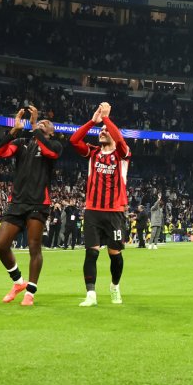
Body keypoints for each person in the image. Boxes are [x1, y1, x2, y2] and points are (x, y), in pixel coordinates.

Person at [0, 106, 65, 307]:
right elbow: (0, 152)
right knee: (1, 245)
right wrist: (14, 130)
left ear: (51, 132)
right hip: (17, 201)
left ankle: (30, 292)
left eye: (46, 123)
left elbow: (49, 151)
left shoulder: (54, 145)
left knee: (34, 247)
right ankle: (18, 282)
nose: (42, 122)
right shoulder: (22, 142)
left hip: (38, 202)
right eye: (39, 121)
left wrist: (35, 125)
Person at [69, 102, 131, 307]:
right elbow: (74, 139)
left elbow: (120, 139)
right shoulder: (92, 152)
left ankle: (114, 286)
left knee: (115, 255)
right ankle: (91, 295)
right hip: (93, 211)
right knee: (91, 253)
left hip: (114, 212)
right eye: (101, 130)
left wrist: (106, 119)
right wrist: (93, 121)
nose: (102, 132)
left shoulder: (122, 154)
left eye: (106, 130)